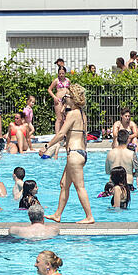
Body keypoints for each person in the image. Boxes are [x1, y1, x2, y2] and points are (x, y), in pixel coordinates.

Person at [42, 86, 94, 223]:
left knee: (79, 187)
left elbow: (61, 134)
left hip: (74, 154)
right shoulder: (82, 114)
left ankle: (89, 216)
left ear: (73, 98)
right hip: (80, 153)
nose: (65, 99)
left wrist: (47, 146)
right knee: (64, 184)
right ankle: (57, 214)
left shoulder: (73, 114)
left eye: (67, 97)